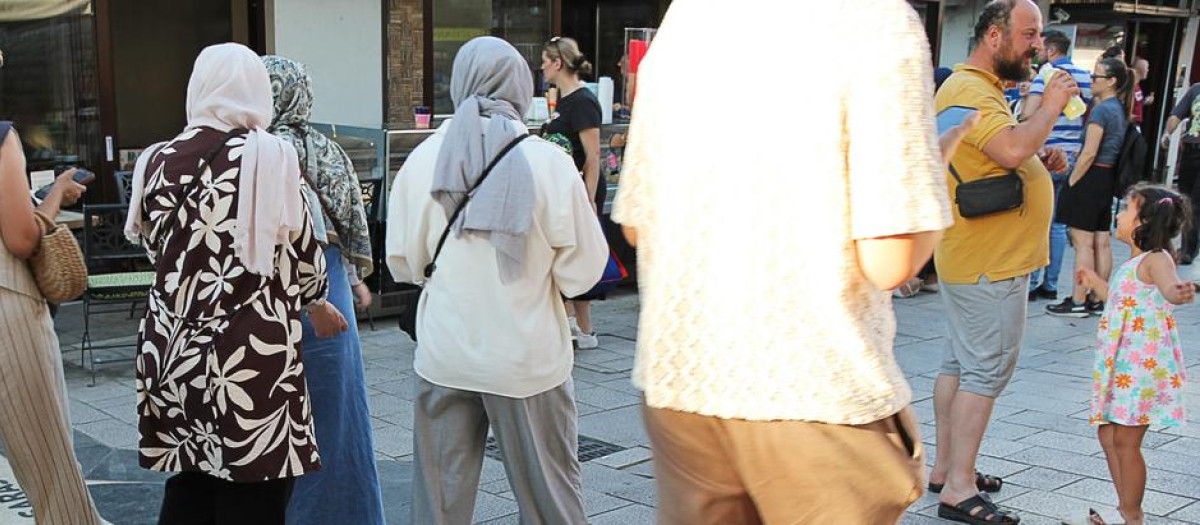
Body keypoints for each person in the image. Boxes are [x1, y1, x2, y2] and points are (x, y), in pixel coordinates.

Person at [612, 0, 984, 522]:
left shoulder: (690, 17)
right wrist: (930, 175)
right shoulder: (875, 21)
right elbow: (890, 258)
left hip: (682, 380)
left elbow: (634, 221)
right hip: (811, 388)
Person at [385, 36, 608, 524]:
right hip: (526, 357)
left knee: (439, 506)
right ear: (519, 86)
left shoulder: (424, 160)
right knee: (551, 499)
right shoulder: (548, 160)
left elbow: (403, 264)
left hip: (446, 352)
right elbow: (583, 271)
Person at [125, 43, 334, 524]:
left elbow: (162, 254)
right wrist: (318, 301)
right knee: (257, 488)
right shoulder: (271, 156)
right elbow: (302, 253)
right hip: (250, 350)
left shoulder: (156, 159)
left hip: (171, 346)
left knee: (191, 478)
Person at [931, 1, 1078, 523]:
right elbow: (1011, 150)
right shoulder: (970, 88)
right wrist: (1051, 108)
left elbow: (1000, 152)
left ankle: (947, 467)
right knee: (985, 370)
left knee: (960, 364)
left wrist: (1041, 154)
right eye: (1029, 34)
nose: (1037, 44)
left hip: (976, 257)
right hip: (987, 263)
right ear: (995, 36)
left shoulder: (977, 89)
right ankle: (960, 489)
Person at [262, 55, 386, 525]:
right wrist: (356, 281)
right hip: (328, 285)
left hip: (271, 291)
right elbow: (351, 221)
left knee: (276, 415)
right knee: (337, 417)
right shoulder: (325, 149)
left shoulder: (252, 152)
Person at [0, 125, 107, 524]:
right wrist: (55, 197)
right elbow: (21, 238)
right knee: (50, 468)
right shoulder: (3, 137)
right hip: (7, 304)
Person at [1075, 185, 1193, 525]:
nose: (1119, 214)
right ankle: (1125, 507)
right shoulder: (1135, 261)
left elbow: (1169, 287)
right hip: (1122, 364)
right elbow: (1123, 298)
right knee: (1109, 434)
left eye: (1127, 209)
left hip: (1140, 367)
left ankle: (1132, 515)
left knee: (1126, 440)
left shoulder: (1157, 258)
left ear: (1144, 220)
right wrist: (1095, 282)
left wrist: (1179, 292)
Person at [1048, 58, 1130, 318]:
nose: (1092, 80)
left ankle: (1078, 299)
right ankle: (1097, 298)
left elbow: (1089, 152)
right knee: (1101, 241)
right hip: (1107, 178)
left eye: (1096, 77)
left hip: (1091, 176)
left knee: (1083, 243)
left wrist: (1073, 181)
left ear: (1111, 81)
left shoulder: (1101, 111)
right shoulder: (1119, 109)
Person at [540, 36, 605, 350]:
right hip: (564, 189)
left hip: (580, 189)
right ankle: (577, 329)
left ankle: (581, 330)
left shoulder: (583, 101)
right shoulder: (562, 100)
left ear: (557, 63)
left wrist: (589, 200)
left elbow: (593, 157)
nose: (541, 67)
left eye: (544, 60)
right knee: (566, 255)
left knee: (572, 256)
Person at [1022, 29, 1093, 303]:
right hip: (1073, 153)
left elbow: (1029, 113)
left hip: (1047, 153)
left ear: (1051, 51)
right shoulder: (1085, 76)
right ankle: (1051, 284)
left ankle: (1033, 282)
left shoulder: (1046, 74)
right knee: (1059, 224)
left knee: (1040, 220)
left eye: (1041, 48)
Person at [1161, 77, 1200, 264]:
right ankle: (1187, 246)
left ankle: (1188, 249)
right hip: (1192, 151)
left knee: (1196, 203)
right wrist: (1168, 132)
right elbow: (1176, 115)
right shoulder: (1196, 90)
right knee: (1185, 200)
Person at [1132, 58, 1155, 126]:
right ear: (1140, 69)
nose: (1148, 70)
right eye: (1147, 68)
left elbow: (1136, 104)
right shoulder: (1132, 87)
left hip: (1136, 123)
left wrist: (1145, 101)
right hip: (1131, 123)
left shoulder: (1137, 87)